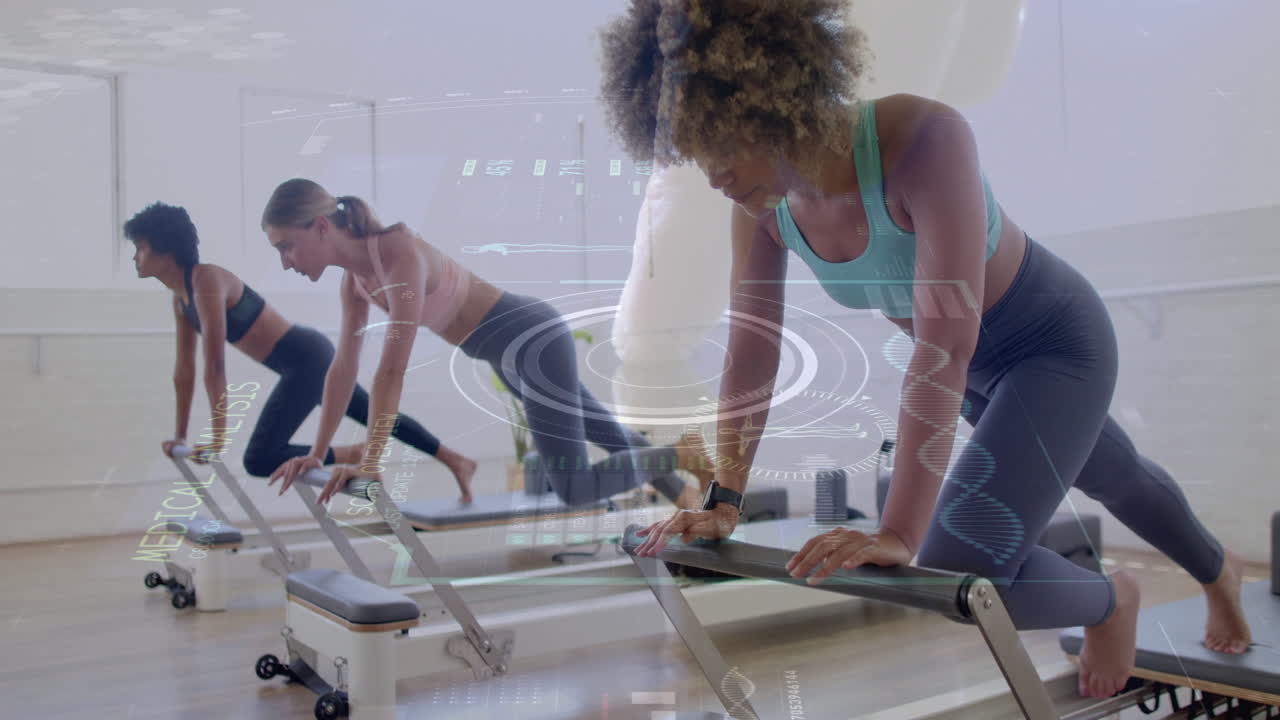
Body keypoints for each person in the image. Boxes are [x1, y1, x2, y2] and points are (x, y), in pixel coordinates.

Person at [598, 0, 1252, 700]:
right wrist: (724, 497)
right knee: (1118, 473)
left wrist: (900, 530)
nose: (713, 174)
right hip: (978, 376)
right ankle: (1214, 571)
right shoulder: (763, 210)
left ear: (770, 99)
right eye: (695, 153)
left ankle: (1116, 598)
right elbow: (751, 358)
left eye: (720, 145)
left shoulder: (923, 138)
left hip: (1054, 345)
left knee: (956, 566)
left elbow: (945, 341)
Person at [258, 179, 716, 509]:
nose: (285, 262)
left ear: (320, 226)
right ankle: (695, 505)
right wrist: (317, 453)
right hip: (509, 357)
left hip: (531, 341)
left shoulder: (396, 251)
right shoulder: (356, 285)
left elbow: (391, 370)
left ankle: (684, 453)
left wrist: (372, 460)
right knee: (614, 439)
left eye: (286, 246)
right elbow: (342, 369)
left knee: (574, 488)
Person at [125, 202, 477, 501]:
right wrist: (181, 436)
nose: (135, 257)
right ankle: (456, 459)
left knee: (259, 458)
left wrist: (217, 439)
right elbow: (184, 371)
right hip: (302, 362)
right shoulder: (180, 299)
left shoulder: (206, 281)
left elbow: (214, 365)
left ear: (166, 249)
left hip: (304, 360)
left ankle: (354, 453)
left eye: (141, 248)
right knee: (377, 414)